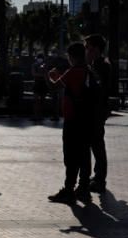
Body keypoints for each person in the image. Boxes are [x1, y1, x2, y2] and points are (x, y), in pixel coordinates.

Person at [47, 42, 98, 205]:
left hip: (73, 120)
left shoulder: (73, 71)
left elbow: (54, 87)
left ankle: (69, 189)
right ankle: (83, 188)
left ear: (72, 56)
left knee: (70, 156)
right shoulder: (89, 71)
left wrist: (48, 75)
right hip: (87, 120)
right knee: (84, 155)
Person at [84, 34, 111, 193]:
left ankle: (100, 179)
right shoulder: (96, 63)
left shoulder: (102, 64)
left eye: (89, 48)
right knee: (94, 143)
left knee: (97, 144)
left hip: (96, 110)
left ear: (96, 49)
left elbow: (99, 87)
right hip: (94, 109)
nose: (86, 51)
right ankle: (97, 176)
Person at [31, 54, 49, 120]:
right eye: (39, 58)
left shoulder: (45, 65)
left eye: (41, 58)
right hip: (37, 83)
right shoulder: (34, 65)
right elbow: (34, 74)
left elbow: (46, 73)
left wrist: (40, 74)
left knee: (42, 100)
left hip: (43, 83)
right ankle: (35, 115)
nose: (40, 59)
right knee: (36, 100)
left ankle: (41, 115)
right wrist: (42, 75)